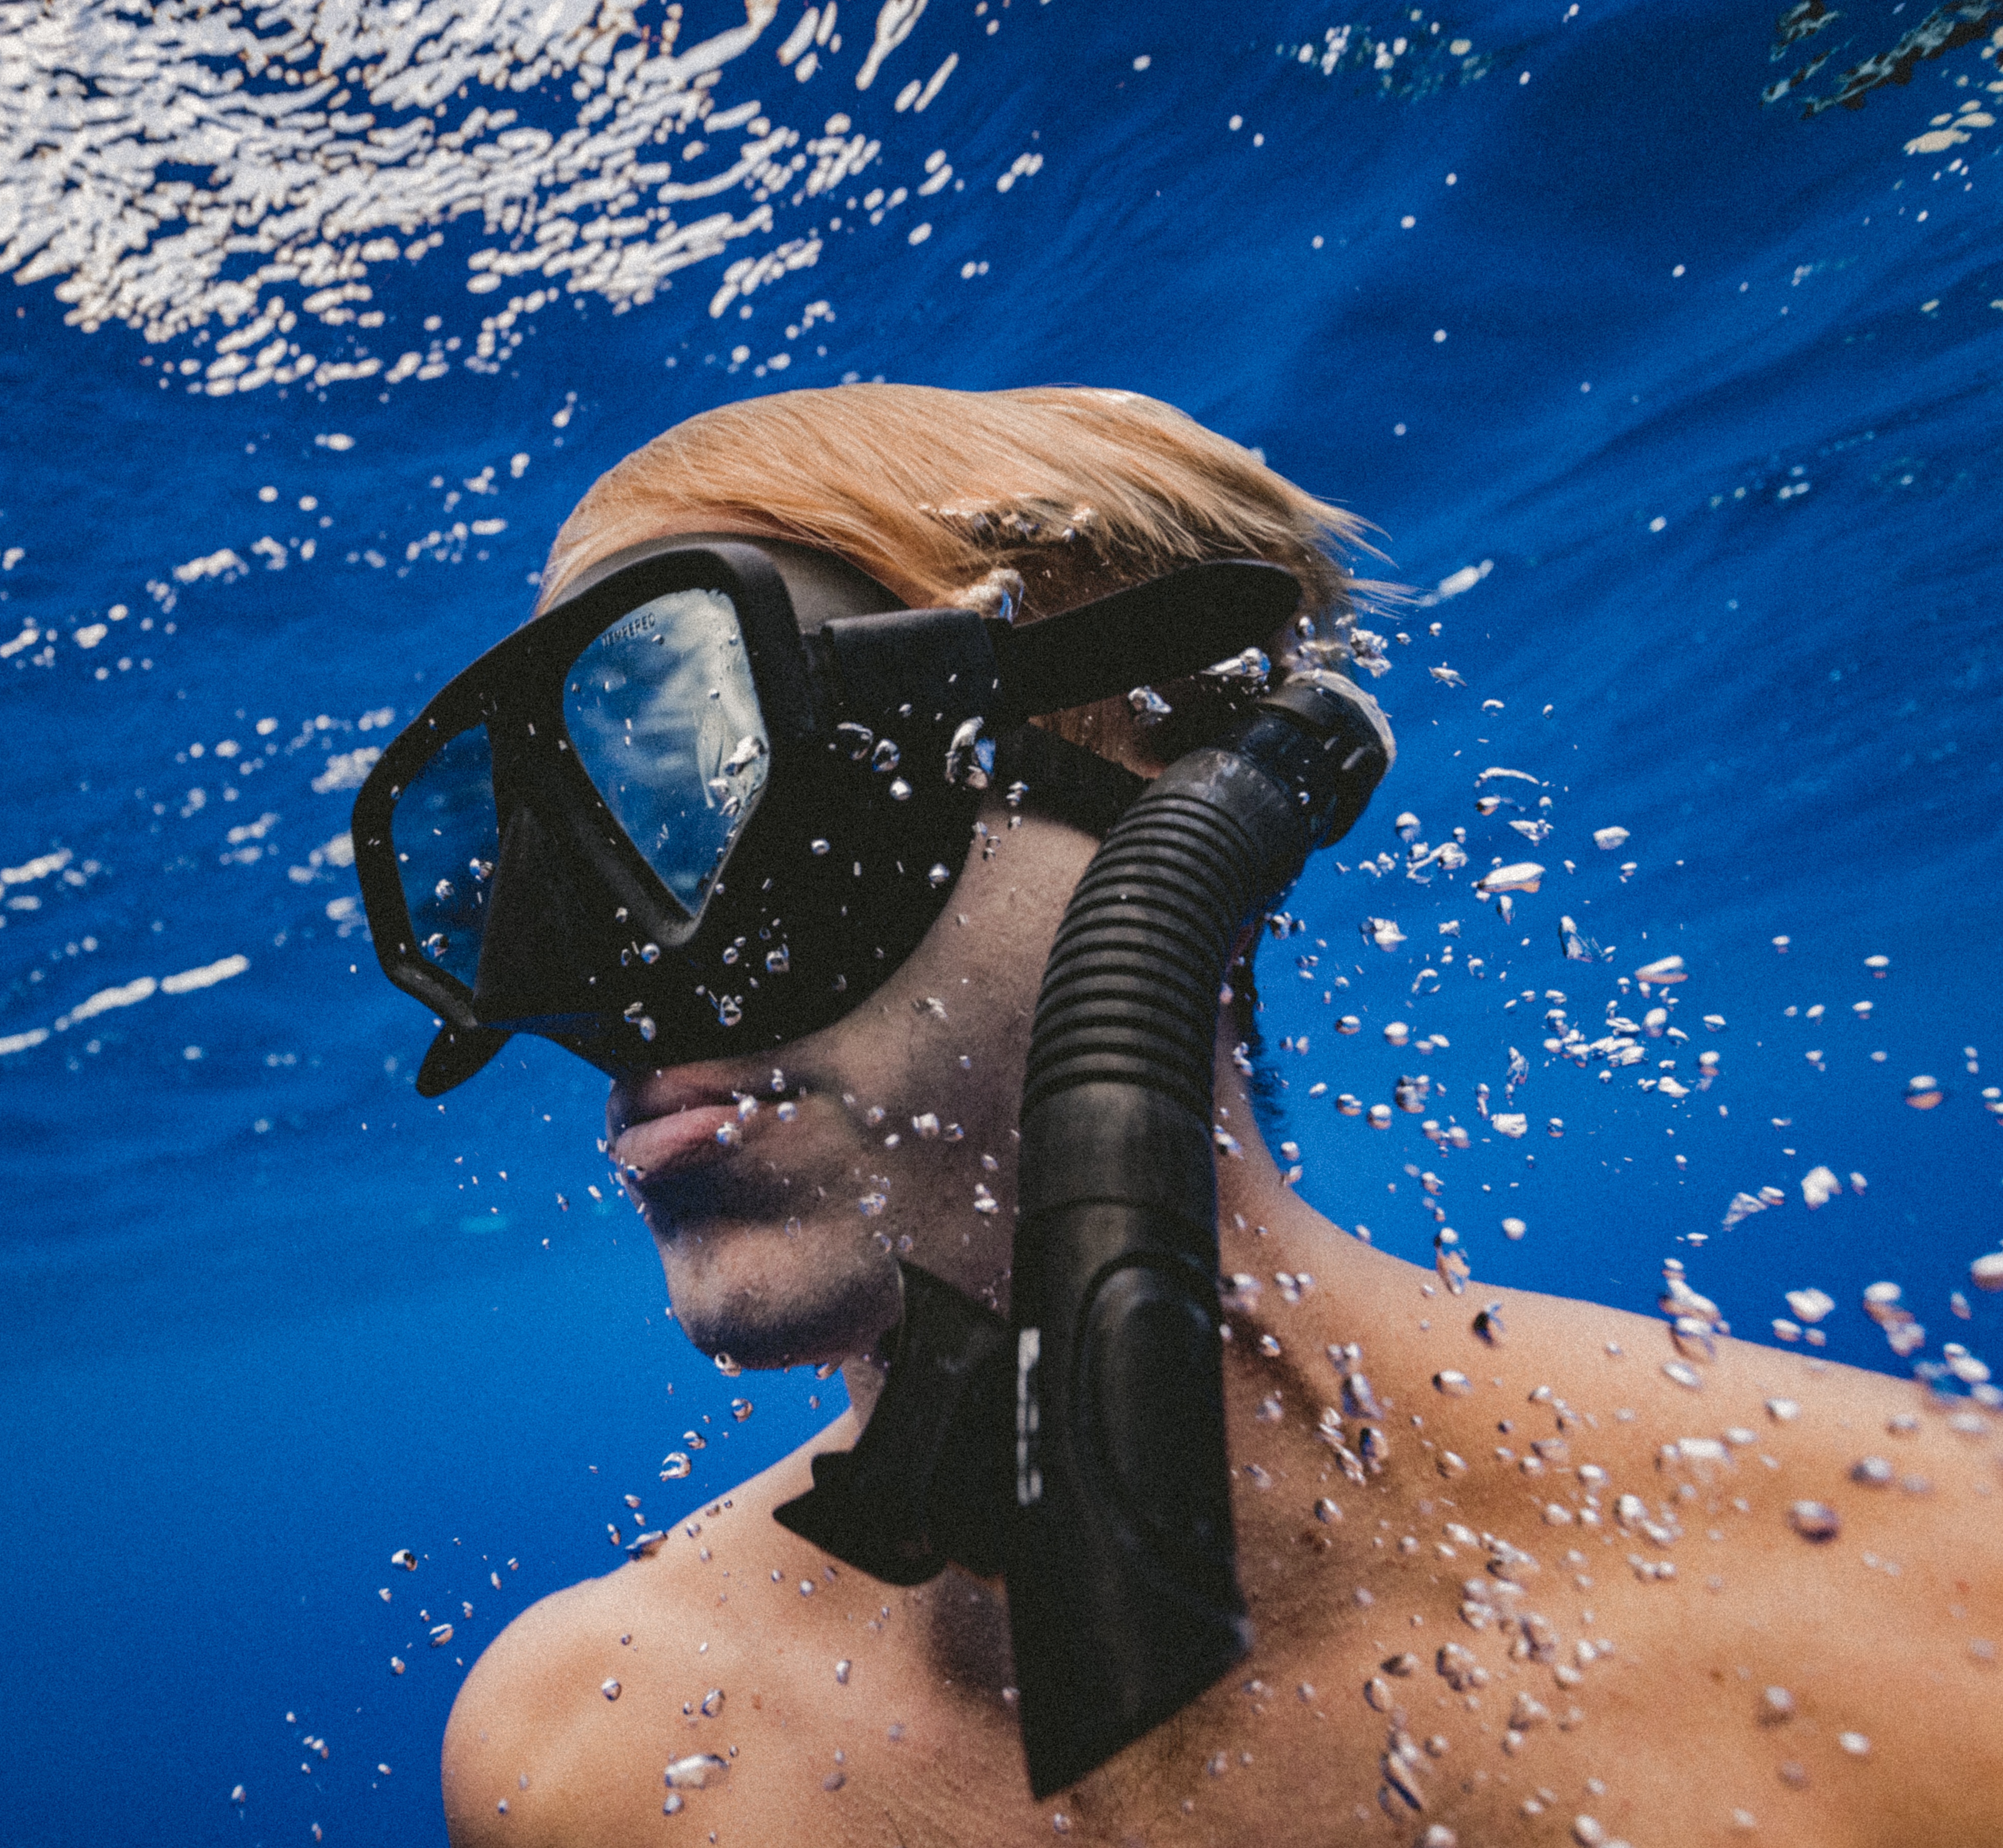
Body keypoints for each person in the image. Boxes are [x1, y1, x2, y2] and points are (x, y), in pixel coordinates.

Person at [406, 386, 2000, 1846]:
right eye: (518, 878)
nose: (612, 985)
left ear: (1200, 806)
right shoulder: (587, 1758)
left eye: (718, 803)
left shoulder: (1930, 1632)